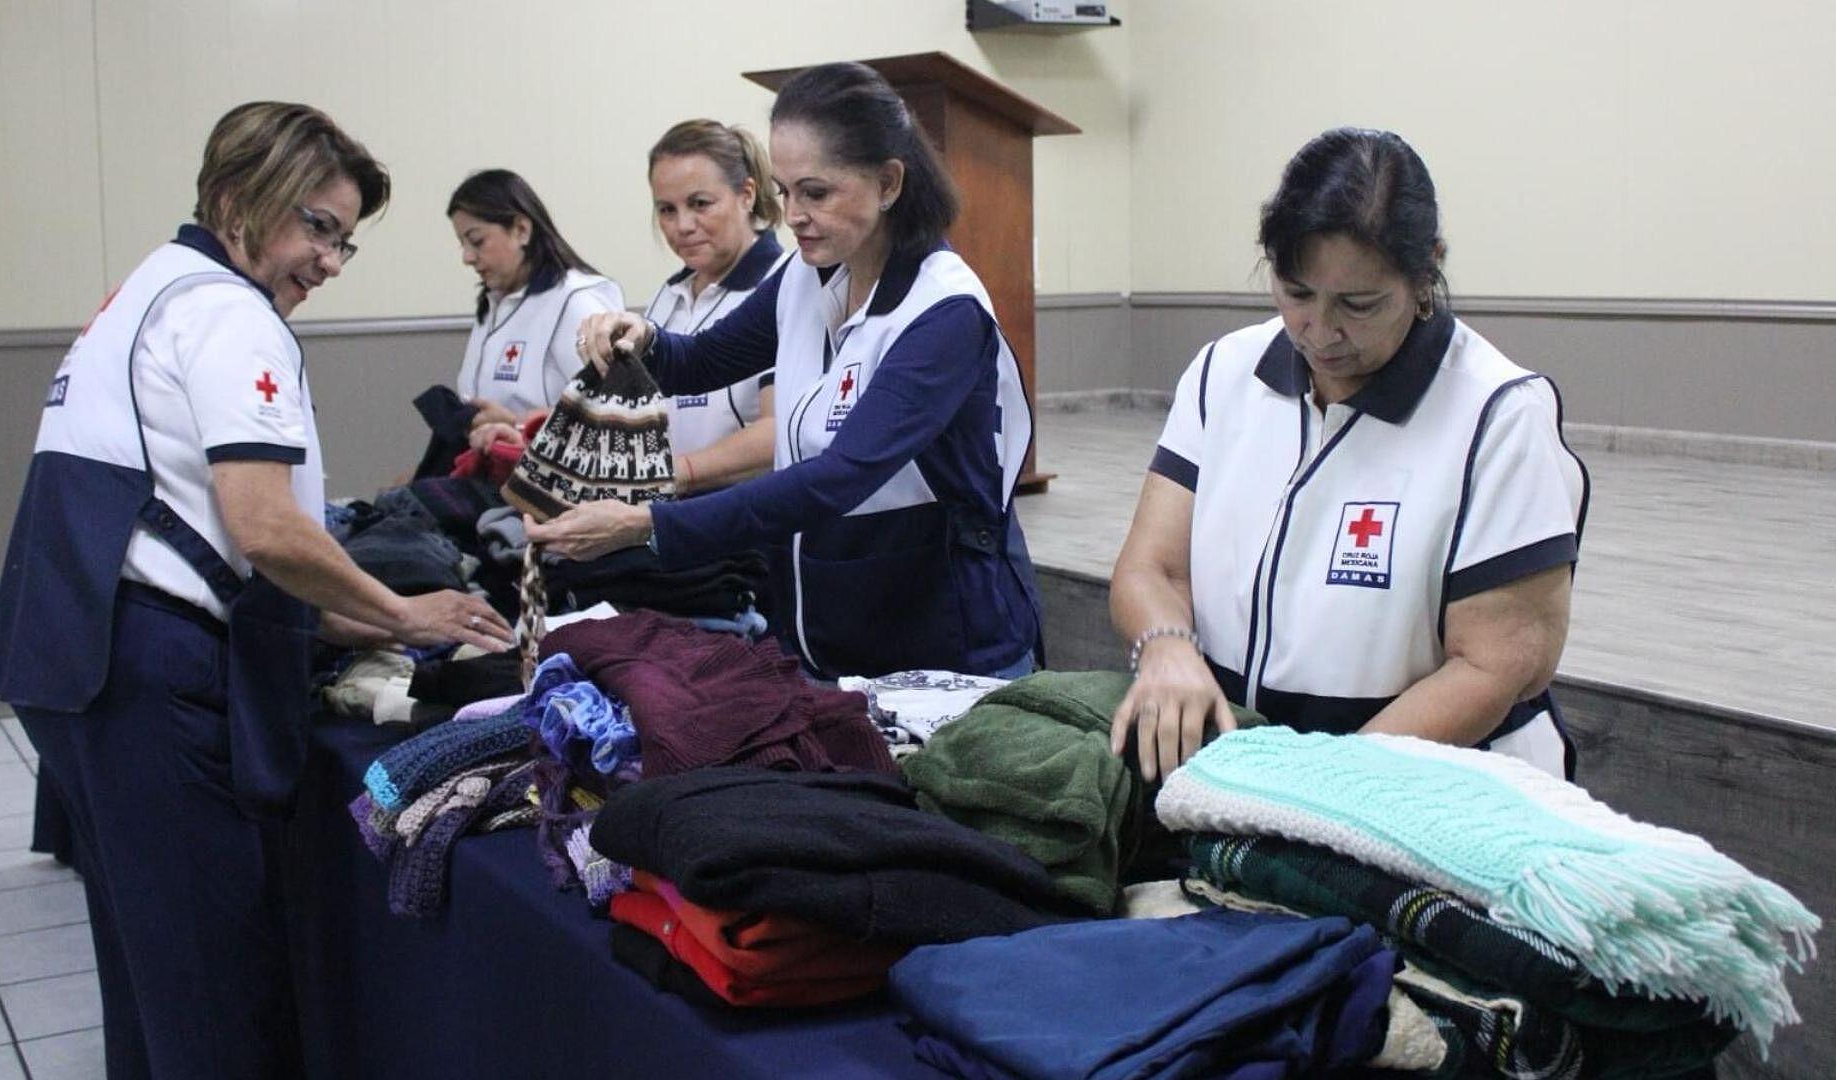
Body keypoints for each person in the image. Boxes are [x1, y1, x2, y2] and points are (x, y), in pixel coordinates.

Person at [0, 102, 512, 1079]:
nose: (332, 261)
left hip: (81, 658)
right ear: (235, 200)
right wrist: (400, 613)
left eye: (345, 240)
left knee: (153, 974)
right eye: (316, 226)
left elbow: (201, 531)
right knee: (217, 992)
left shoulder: (149, 288)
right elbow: (262, 526)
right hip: (148, 673)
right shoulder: (230, 314)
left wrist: (342, 615)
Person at [1108, 127, 1589, 783]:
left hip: (1430, 787)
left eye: (1359, 305)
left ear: (1426, 272)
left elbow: (1493, 666)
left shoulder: (1497, 418)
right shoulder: (1224, 375)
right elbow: (1152, 567)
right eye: (1296, 292)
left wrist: (1322, 787)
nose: (1321, 331)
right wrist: (1167, 648)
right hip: (1246, 775)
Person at [532, 62, 1041, 680]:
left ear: (888, 183)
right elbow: (706, 359)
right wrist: (642, 340)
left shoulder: (942, 313)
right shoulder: (807, 275)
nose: (793, 214)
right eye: (785, 192)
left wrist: (646, 524)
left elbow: (838, 478)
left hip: (946, 649)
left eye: (816, 192)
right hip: (828, 636)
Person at [638, 119, 788, 494]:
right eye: (667, 210)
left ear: (747, 195)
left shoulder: (783, 281)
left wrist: (677, 473)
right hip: (670, 506)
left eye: (699, 204)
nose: (682, 225)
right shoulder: (668, 296)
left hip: (749, 521)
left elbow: (778, 431)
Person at [446, 169, 624, 454]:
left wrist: (516, 425)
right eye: (462, 244)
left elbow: (618, 417)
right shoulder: (495, 305)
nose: (467, 257)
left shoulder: (577, 303)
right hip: (499, 473)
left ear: (521, 230)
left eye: (477, 241)